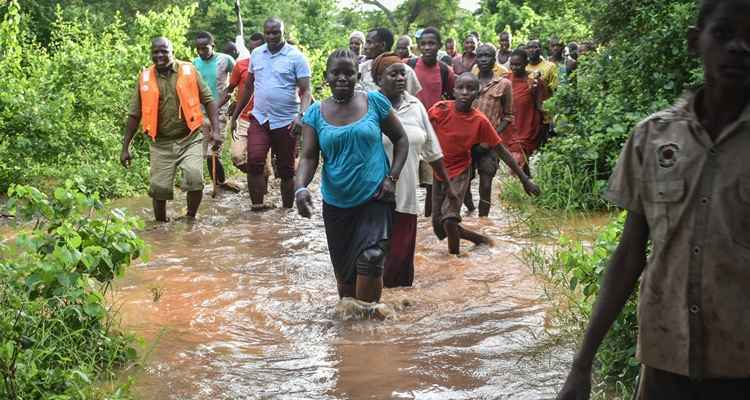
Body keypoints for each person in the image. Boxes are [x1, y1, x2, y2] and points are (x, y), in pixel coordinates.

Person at [557, 1, 750, 398]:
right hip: (665, 364)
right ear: (696, 42)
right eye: (724, 33)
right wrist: (582, 364)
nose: (739, 47)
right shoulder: (653, 138)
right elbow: (630, 254)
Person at [295, 49, 409, 304]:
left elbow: (401, 139)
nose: (342, 78)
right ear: (326, 77)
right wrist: (300, 188)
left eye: (348, 72)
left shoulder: (375, 102)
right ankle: (351, 336)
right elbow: (309, 157)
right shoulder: (314, 113)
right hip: (337, 205)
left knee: (371, 257)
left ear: (357, 75)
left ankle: (369, 331)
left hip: (376, 196)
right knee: (346, 284)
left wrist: (393, 178)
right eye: (336, 73)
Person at [428, 73, 539, 255]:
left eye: (470, 89)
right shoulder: (439, 110)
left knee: (449, 220)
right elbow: (420, 129)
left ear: (477, 93)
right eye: (461, 88)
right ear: (453, 91)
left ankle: (454, 259)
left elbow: (501, 150)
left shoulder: (479, 121)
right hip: (439, 170)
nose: (465, 92)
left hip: (459, 170)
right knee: (439, 226)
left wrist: (525, 179)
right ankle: (479, 239)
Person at [372, 53, 457, 288]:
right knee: (375, 265)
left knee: (401, 271)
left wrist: (449, 188)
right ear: (379, 79)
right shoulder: (369, 107)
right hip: (374, 199)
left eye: (403, 73)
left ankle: (403, 319)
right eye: (394, 74)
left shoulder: (415, 106)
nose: (401, 78)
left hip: (407, 200)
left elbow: (432, 150)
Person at [121, 37, 221, 222]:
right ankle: (160, 225)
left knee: (194, 178)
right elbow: (134, 115)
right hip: (160, 142)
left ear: (172, 52)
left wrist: (216, 130)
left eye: (164, 51)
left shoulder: (189, 71)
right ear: (151, 53)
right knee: (159, 188)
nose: (159, 55)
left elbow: (208, 100)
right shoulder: (144, 77)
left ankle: (190, 219)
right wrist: (125, 147)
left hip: (189, 137)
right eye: (155, 52)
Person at [232, 17, 313, 211]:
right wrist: (235, 114)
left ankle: (286, 211)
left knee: (286, 169)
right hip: (260, 117)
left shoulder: (296, 57)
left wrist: (301, 117)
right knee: (255, 161)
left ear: (283, 32)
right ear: (264, 33)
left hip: (286, 120)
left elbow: (306, 91)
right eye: (268, 33)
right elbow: (249, 87)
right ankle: (258, 208)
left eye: (275, 32)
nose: (271, 36)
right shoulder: (257, 55)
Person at [408, 26, 456, 218]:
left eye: (432, 43)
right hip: (408, 131)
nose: (427, 47)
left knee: (432, 182)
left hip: (434, 132)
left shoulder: (445, 71)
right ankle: (409, 218)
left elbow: (454, 100)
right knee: (407, 178)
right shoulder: (409, 66)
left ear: (439, 46)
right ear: (418, 46)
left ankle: (429, 221)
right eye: (423, 44)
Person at [466, 43, 512, 217]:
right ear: (476, 59)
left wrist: (492, 137)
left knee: (486, 185)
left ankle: (483, 222)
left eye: (488, 56)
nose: (484, 59)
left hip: (489, 144)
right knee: (464, 186)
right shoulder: (468, 82)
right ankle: (469, 211)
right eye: (480, 56)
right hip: (467, 143)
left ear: (495, 59)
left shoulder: (504, 84)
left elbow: (508, 116)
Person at [222, 33, 273, 191]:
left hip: (266, 119)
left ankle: (260, 189)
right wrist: (214, 106)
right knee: (237, 156)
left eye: (258, 48)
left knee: (261, 158)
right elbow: (230, 89)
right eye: (251, 49)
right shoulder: (241, 65)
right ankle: (258, 176)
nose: (254, 52)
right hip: (243, 118)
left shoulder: (274, 65)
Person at [193, 31, 239, 193]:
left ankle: (220, 183)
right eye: (198, 49)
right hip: (201, 112)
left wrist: (236, 100)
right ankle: (219, 183)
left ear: (213, 46)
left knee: (215, 147)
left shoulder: (226, 60)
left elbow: (240, 79)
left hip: (220, 108)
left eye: (204, 48)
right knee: (206, 150)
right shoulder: (194, 63)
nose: (201, 52)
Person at [505, 49, 549, 176]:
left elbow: (541, 105)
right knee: (519, 162)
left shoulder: (534, 81)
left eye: (517, 64)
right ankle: (527, 184)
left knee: (517, 161)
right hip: (510, 128)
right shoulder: (505, 79)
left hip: (527, 126)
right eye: (512, 64)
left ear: (526, 63)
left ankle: (514, 191)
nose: (514, 67)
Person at [359, 27, 422, 95]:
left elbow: (411, 100)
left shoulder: (407, 71)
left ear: (383, 45)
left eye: (369, 42)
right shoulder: (362, 69)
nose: (365, 47)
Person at [525, 39, 559, 147]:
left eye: (535, 47)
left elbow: (554, 89)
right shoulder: (523, 66)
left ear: (540, 49)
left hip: (544, 111)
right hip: (527, 110)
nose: (532, 50)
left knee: (544, 142)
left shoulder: (550, 66)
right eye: (529, 47)